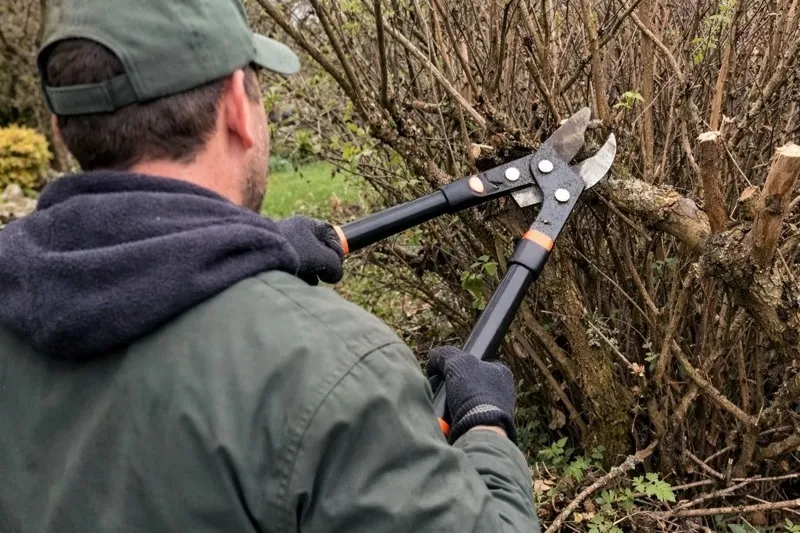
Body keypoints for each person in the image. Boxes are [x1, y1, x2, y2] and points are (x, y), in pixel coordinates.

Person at [0, 0, 540, 531]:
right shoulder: (334, 374)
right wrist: (485, 429)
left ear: (59, 126)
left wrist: (246, 250)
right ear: (238, 104)